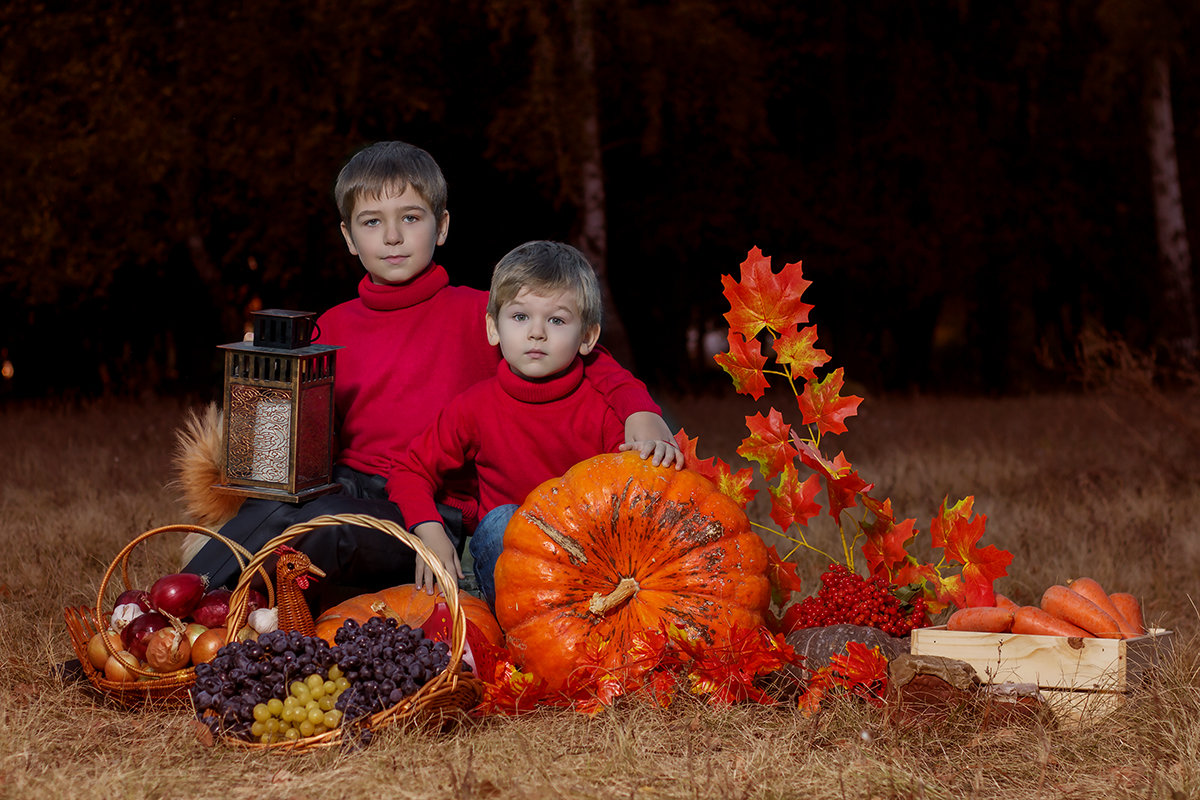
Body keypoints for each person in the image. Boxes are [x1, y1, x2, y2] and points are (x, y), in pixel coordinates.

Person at [183, 141, 676, 610]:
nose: (392, 237)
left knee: (322, 529)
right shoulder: (329, 327)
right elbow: (300, 444)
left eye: (410, 218)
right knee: (283, 510)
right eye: (372, 222)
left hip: (426, 508)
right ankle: (184, 602)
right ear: (349, 237)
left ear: (441, 227)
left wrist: (640, 410)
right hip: (345, 484)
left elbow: (587, 357)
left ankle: (214, 603)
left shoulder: (482, 314)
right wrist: (264, 389)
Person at [387, 240, 684, 609]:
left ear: (587, 337)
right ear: (493, 329)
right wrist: (429, 531)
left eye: (557, 320)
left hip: (591, 565)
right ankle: (521, 631)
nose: (537, 333)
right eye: (520, 317)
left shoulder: (604, 411)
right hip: (512, 572)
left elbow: (627, 507)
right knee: (502, 521)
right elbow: (409, 471)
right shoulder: (473, 407)